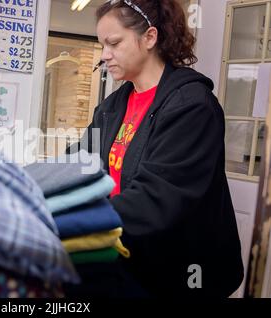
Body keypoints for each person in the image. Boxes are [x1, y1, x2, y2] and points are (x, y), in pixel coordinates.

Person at [66, 0, 244, 298]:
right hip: (133, 260)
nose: (105, 55)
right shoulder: (112, 107)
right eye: (102, 45)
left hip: (182, 273)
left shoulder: (192, 107)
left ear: (149, 37)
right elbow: (79, 162)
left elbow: (155, 199)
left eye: (114, 43)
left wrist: (70, 220)